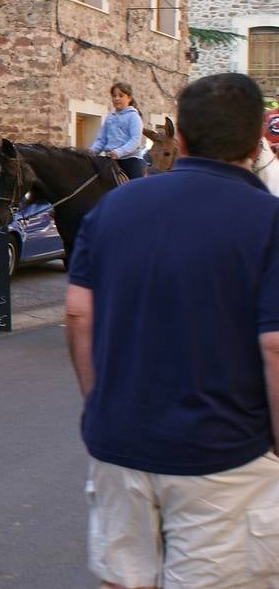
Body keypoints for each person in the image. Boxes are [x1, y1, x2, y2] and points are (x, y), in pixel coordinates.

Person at [65, 73, 279, 587]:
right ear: (256, 145)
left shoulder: (113, 207)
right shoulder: (268, 220)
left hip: (119, 443)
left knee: (122, 579)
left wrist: (100, 405)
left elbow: (77, 313)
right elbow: (274, 346)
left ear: (177, 138)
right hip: (224, 452)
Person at [88, 80, 147, 179]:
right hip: (110, 158)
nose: (116, 98)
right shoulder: (109, 117)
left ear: (129, 98)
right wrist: (91, 153)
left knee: (136, 187)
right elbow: (102, 140)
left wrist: (119, 152)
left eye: (120, 95)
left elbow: (135, 140)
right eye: (114, 96)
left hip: (129, 159)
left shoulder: (133, 117)